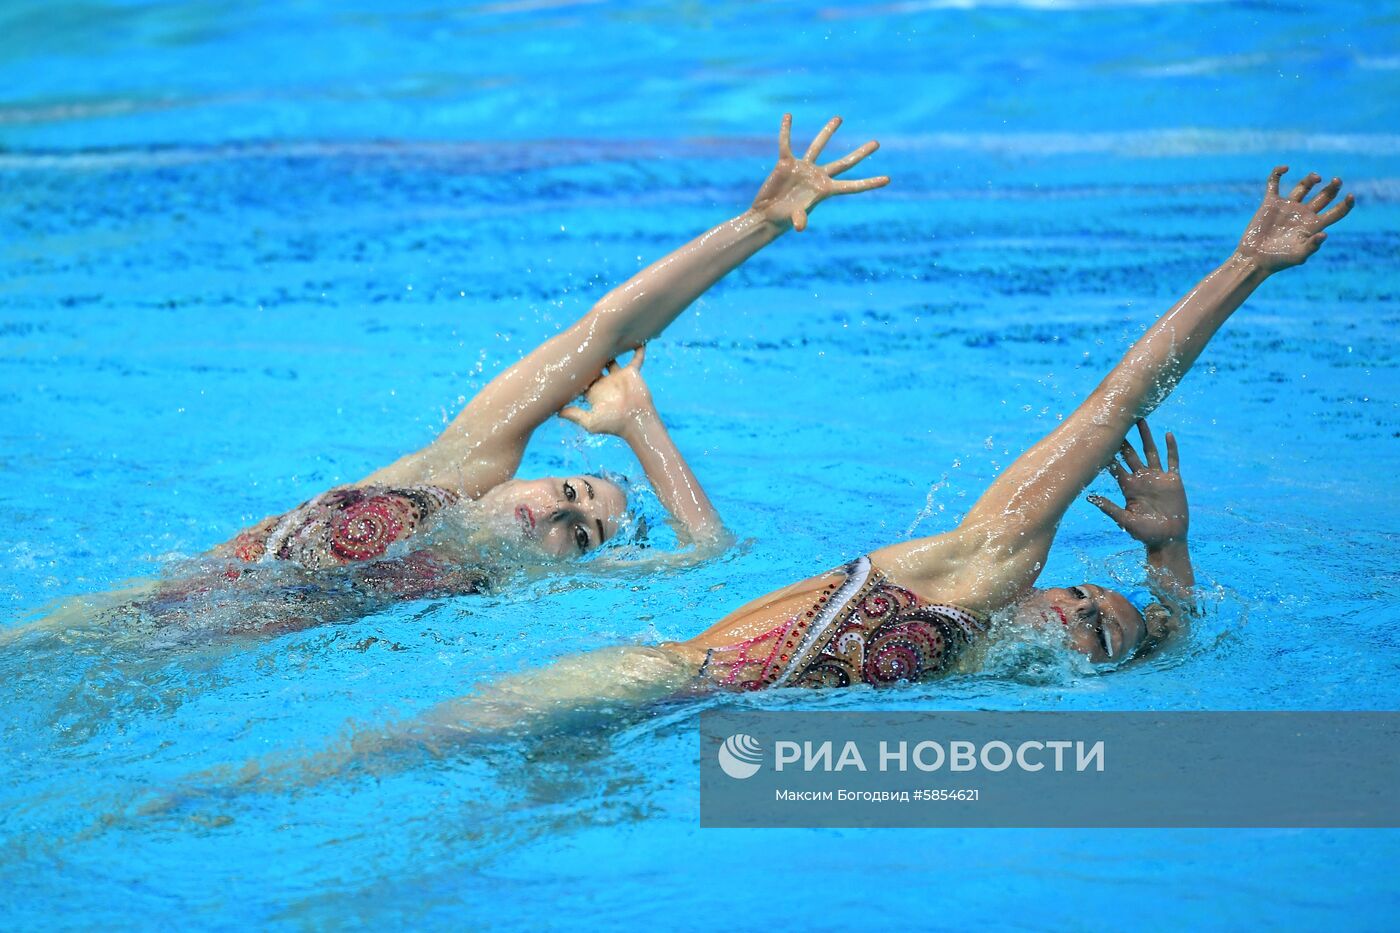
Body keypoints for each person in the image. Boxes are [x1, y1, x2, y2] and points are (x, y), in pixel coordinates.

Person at [369, 165, 1356, 740]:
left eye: (1096, 634)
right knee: (381, 761)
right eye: (1086, 599)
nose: (1077, 616)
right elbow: (1110, 405)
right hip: (647, 685)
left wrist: (1163, 561)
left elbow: (1174, 642)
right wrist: (1243, 268)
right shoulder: (975, 570)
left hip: (686, 745)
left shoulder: (973, 682)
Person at [15, 115, 889, 641]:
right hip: (141, 606)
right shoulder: (453, 473)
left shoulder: (505, 584)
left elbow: (708, 555)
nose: (556, 511)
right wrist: (758, 221)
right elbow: (606, 328)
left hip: (208, 663)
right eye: (574, 488)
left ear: (568, 573)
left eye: (578, 536)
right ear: (542, 468)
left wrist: (641, 428)